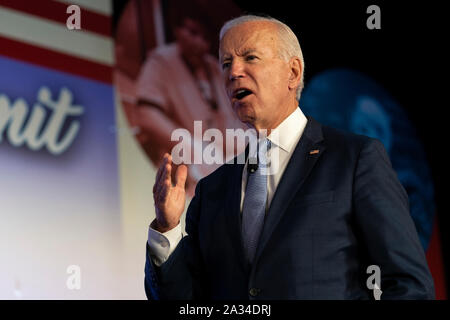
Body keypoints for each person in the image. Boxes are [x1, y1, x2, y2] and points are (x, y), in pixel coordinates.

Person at [144, 15, 435, 299]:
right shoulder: (212, 191)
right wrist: (167, 229)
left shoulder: (355, 158)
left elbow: (409, 284)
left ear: (293, 73)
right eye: (226, 63)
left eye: (250, 58)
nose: (234, 72)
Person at [135, 11, 244, 197]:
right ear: (177, 31)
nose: (199, 43)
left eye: (205, 38)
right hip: (184, 171)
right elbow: (146, 115)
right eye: (193, 33)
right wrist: (191, 146)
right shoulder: (161, 61)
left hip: (222, 162)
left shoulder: (213, 66)